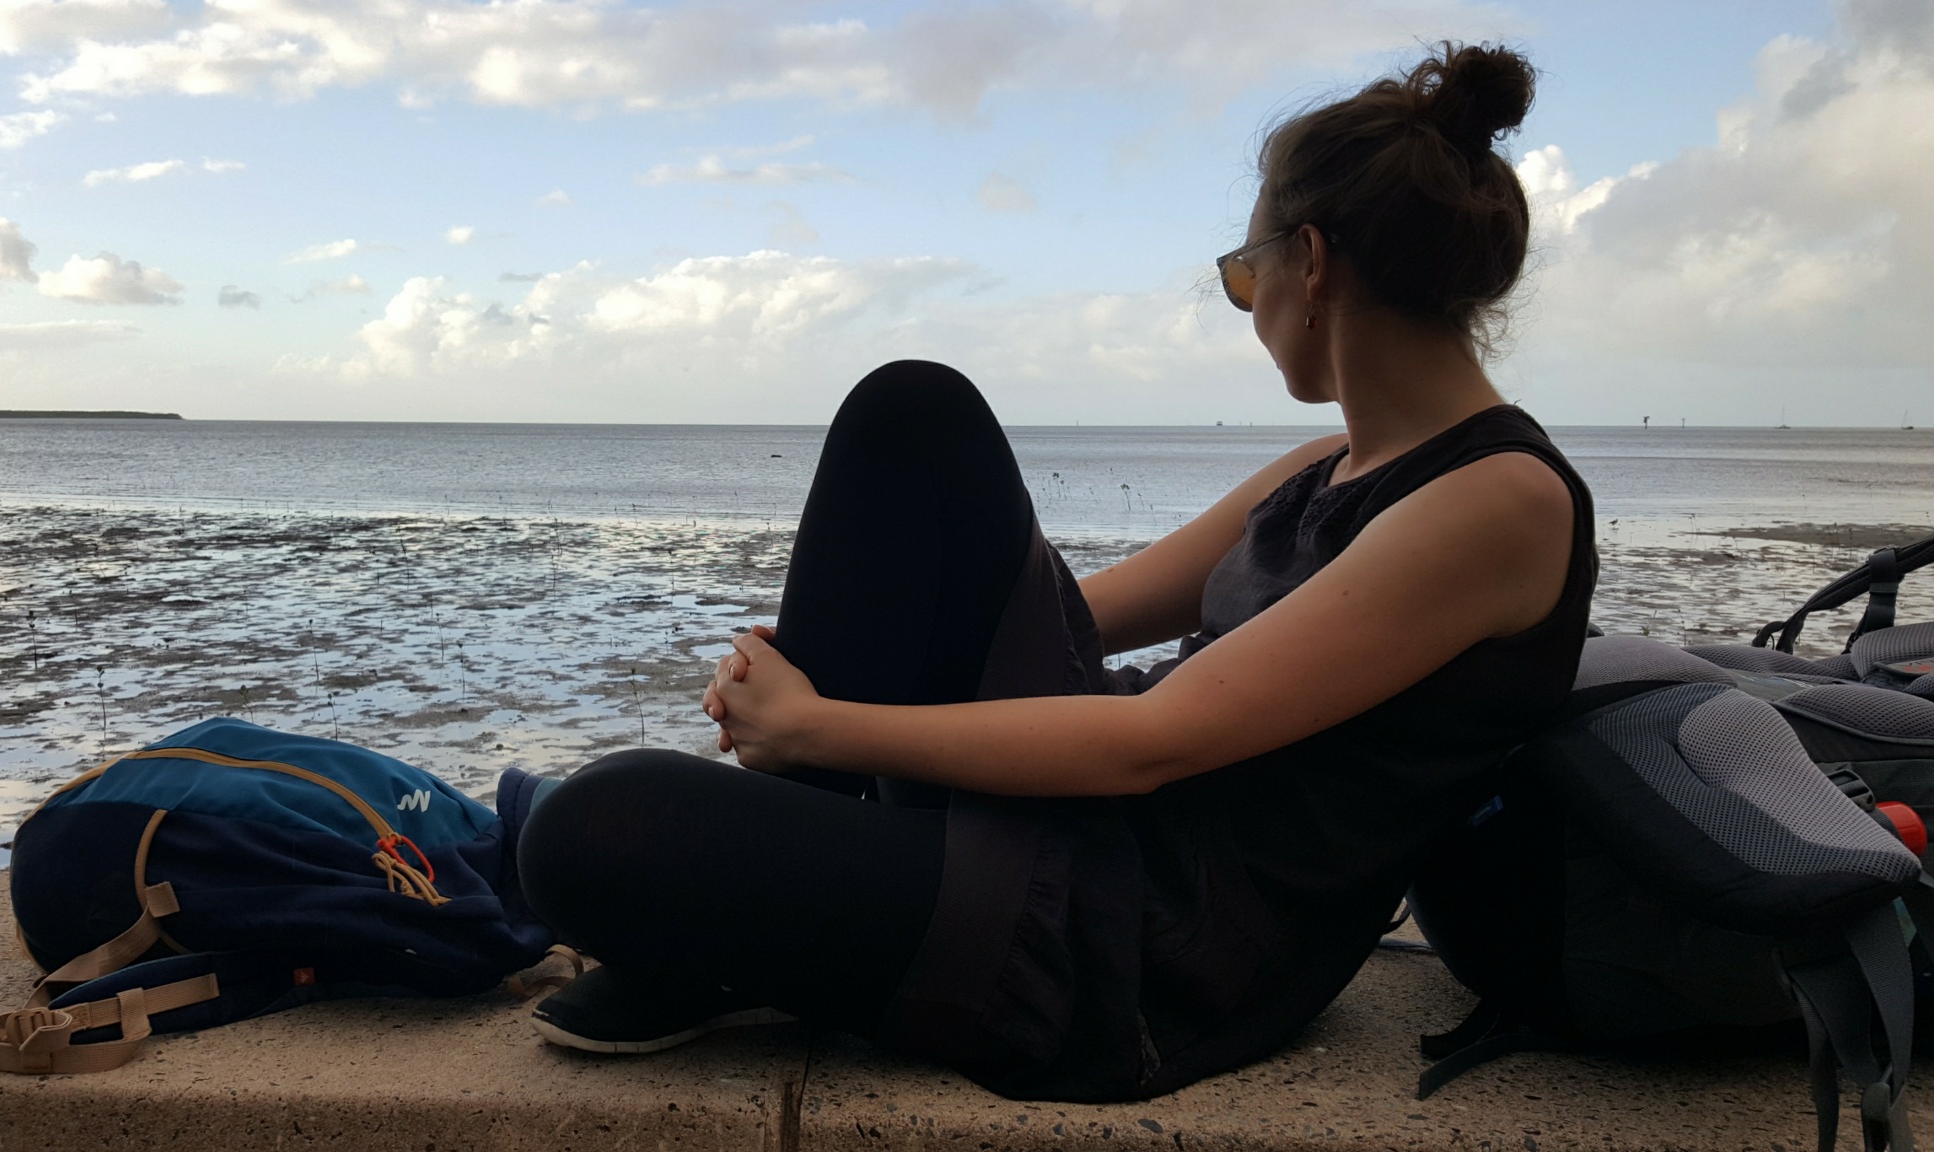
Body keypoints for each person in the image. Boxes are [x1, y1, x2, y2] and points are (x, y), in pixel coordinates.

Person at [513, 42, 1596, 1101]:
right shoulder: (1327, 465)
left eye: (1241, 274)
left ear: (1308, 262)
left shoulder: (1498, 503)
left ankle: (765, 911)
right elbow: (1085, 615)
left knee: (587, 831)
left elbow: (1152, 743)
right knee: (911, 411)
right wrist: (817, 651)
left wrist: (816, 725)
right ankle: (771, 902)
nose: (1246, 304)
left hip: (1141, 942)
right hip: (1082, 821)